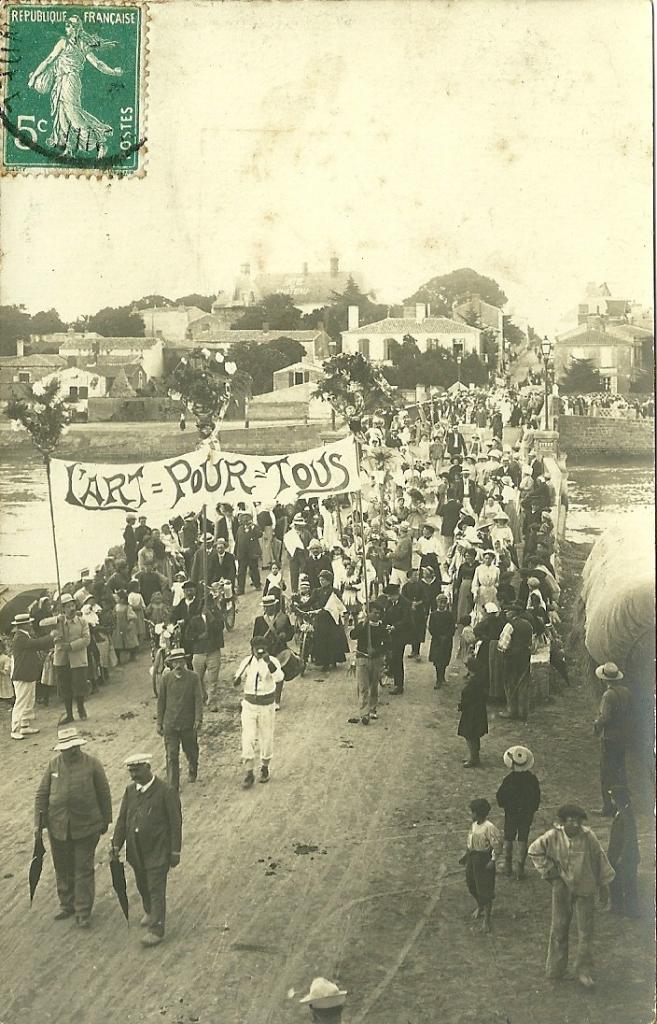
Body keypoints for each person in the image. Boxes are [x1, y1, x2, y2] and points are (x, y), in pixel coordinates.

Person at [528, 804, 615, 987]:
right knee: (559, 928)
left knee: (586, 932)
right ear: (563, 821)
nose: (574, 824)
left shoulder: (588, 837)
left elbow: (600, 860)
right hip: (562, 888)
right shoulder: (553, 836)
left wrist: (604, 886)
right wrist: (550, 872)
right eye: (570, 820)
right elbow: (534, 850)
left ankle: (584, 971)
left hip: (585, 888)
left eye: (578, 820)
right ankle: (555, 970)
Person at [34, 726, 112, 927]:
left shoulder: (92, 765)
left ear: (79, 745)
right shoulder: (53, 766)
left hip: (87, 826)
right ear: (61, 749)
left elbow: (104, 793)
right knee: (62, 866)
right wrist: (38, 823)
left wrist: (106, 820)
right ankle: (66, 904)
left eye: (74, 747)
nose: (72, 751)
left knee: (83, 868)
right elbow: (42, 794)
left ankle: (83, 911)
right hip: (58, 826)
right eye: (67, 748)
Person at [111, 753, 183, 948]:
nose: (133, 775)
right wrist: (116, 844)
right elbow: (122, 820)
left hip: (158, 850)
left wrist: (175, 851)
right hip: (136, 851)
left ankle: (156, 929)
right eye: (131, 771)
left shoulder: (166, 791)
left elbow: (176, 823)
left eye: (136, 770)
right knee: (142, 884)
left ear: (148, 768)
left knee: (155, 888)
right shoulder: (130, 791)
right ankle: (149, 911)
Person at [233, 637, 284, 788]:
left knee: (266, 737)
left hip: (266, 706)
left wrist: (268, 663)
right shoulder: (247, 662)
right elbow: (238, 678)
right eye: (256, 648)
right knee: (247, 738)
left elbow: (280, 678)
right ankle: (249, 772)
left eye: (262, 647)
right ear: (252, 648)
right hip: (249, 705)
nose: (259, 651)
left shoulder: (273, 661)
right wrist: (237, 680)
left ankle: (265, 767)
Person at [156, 648, 204, 790]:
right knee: (171, 755)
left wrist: (198, 719)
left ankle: (193, 767)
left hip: (188, 724)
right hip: (170, 723)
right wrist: (159, 722)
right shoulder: (166, 679)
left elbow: (198, 699)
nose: (178, 665)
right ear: (170, 664)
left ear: (185, 662)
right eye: (174, 662)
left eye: (180, 661)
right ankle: (173, 785)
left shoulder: (193, 678)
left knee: (191, 750)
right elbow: (161, 702)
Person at [496, 745, 541, 879]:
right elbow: (537, 797)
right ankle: (520, 868)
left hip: (511, 812)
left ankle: (507, 866)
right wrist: (531, 809)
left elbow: (500, 797)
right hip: (526, 813)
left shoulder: (509, 780)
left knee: (508, 837)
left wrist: (505, 805)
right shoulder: (532, 779)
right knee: (523, 838)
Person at [593, 662, 631, 816]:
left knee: (606, 772)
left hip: (609, 737)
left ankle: (608, 807)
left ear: (605, 679)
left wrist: (596, 724)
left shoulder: (608, 695)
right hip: (622, 736)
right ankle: (624, 803)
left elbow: (605, 717)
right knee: (620, 770)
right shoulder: (626, 692)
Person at [460, 798, 501, 934]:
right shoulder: (474, 825)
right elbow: (470, 842)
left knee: (485, 889)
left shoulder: (489, 828)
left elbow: (497, 845)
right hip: (473, 858)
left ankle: (486, 921)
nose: (472, 815)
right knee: (472, 885)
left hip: (484, 860)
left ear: (479, 813)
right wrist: (466, 856)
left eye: (473, 813)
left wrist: (493, 860)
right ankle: (480, 906)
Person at [9, 612, 52, 740]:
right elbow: (36, 644)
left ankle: (25, 725)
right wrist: (51, 637)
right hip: (22, 675)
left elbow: (35, 643)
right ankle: (15, 728)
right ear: (24, 625)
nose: (31, 624)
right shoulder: (20, 637)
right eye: (29, 623)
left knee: (29, 701)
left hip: (27, 673)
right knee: (21, 702)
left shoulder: (24, 635)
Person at [52, 592, 91, 723]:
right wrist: (56, 629)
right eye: (68, 606)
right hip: (62, 659)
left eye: (72, 605)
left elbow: (86, 639)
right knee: (65, 687)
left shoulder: (82, 621)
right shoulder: (58, 622)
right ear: (62, 608)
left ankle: (81, 708)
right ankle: (69, 714)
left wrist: (71, 646)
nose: (71, 608)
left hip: (78, 658)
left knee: (79, 685)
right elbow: (48, 631)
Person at [349, 599, 388, 725]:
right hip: (362, 658)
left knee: (374, 686)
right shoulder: (363, 625)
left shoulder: (382, 627)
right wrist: (362, 625)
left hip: (376, 660)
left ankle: (372, 709)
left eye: (379, 613)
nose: (377, 615)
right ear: (368, 613)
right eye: (374, 613)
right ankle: (364, 713)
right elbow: (353, 635)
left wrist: (376, 651)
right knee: (363, 687)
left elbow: (387, 644)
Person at [252, 594, 294, 710]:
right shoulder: (259, 621)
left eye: (269, 606)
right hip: (265, 651)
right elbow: (254, 638)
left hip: (279, 650)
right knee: (263, 675)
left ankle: (276, 700)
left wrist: (285, 635)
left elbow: (290, 633)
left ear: (274, 606)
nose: (267, 609)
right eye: (265, 607)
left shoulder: (283, 618)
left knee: (278, 676)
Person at [607, 785, 640, 917]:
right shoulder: (624, 812)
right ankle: (621, 908)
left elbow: (628, 839)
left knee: (627, 884)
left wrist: (621, 857)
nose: (611, 800)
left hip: (625, 858)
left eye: (612, 798)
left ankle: (629, 911)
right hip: (623, 857)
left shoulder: (625, 815)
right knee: (621, 882)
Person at [497, 604, 533, 722]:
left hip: (512, 658)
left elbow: (503, 645)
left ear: (514, 613)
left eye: (508, 611)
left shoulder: (510, 625)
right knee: (523, 683)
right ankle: (523, 711)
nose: (506, 614)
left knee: (510, 683)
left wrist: (501, 652)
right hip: (525, 657)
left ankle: (512, 711)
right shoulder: (528, 625)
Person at [187, 591, 225, 702]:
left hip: (213, 651)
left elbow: (220, 627)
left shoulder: (216, 616)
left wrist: (211, 617)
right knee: (198, 678)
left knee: (213, 679)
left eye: (210, 604)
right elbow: (188, 635)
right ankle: (202, 695)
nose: (208, 607)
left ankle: (211, 699)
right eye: (205, 604)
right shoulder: (195, 619)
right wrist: (199, 637)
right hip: (199, 651)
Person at [309, 571, 349, 671]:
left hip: (332, 620)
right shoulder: (317, 591)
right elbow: (310, 602)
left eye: (323, 580)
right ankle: (325, 663)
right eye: (320, 580)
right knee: (322, 641)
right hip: (321, 620)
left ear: (329, 581)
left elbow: (340, 604)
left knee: (333, 640)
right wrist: (299, 605)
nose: (321, 582)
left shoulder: (335, 592)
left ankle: (334, 660)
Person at [381, 582, 412, 695]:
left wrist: (395, 627)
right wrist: (382, 623)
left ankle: (399, 685)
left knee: (398, 659)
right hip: (390, 634)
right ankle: (392, 672)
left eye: (390, 596)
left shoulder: (405, 604)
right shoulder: (390, 603)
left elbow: (407, 620)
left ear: (396, 594)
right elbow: (386, 616)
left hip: (401, 635)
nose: (388, 598)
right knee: (391, 656)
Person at [457, 657, 488, 767]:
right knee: (474, 735)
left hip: (471, 712)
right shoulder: (479, 679)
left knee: (470, 735)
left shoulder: (473, 683)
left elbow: (467, 697)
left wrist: (461, 705)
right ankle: (474, 755)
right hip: (478, 710)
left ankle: (473, 758)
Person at [427, 593, 455, 689]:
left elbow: (452, 628)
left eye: (444, 603)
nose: (442, 605)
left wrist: (447, 636)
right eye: (440, 603)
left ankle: (442, 677)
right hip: (437, 641)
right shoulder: (433, 615)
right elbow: (431, 628)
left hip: (447, 641)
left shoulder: (449, 615)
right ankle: (438, 679)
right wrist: (438, 636)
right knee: (438, 660)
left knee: (445, 659)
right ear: (437, 603)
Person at [235, 513, 262, 595]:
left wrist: (253, 527)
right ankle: (240, 589)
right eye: (244, 520)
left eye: (247, 520)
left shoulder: (254, 528)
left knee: (254, 569)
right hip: (242, 554)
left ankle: (257, 584)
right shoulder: (240, 529)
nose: (246, 521)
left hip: (252, 554)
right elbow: (237, 541)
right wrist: (235, 552)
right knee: (241, 572)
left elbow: (259, 534)